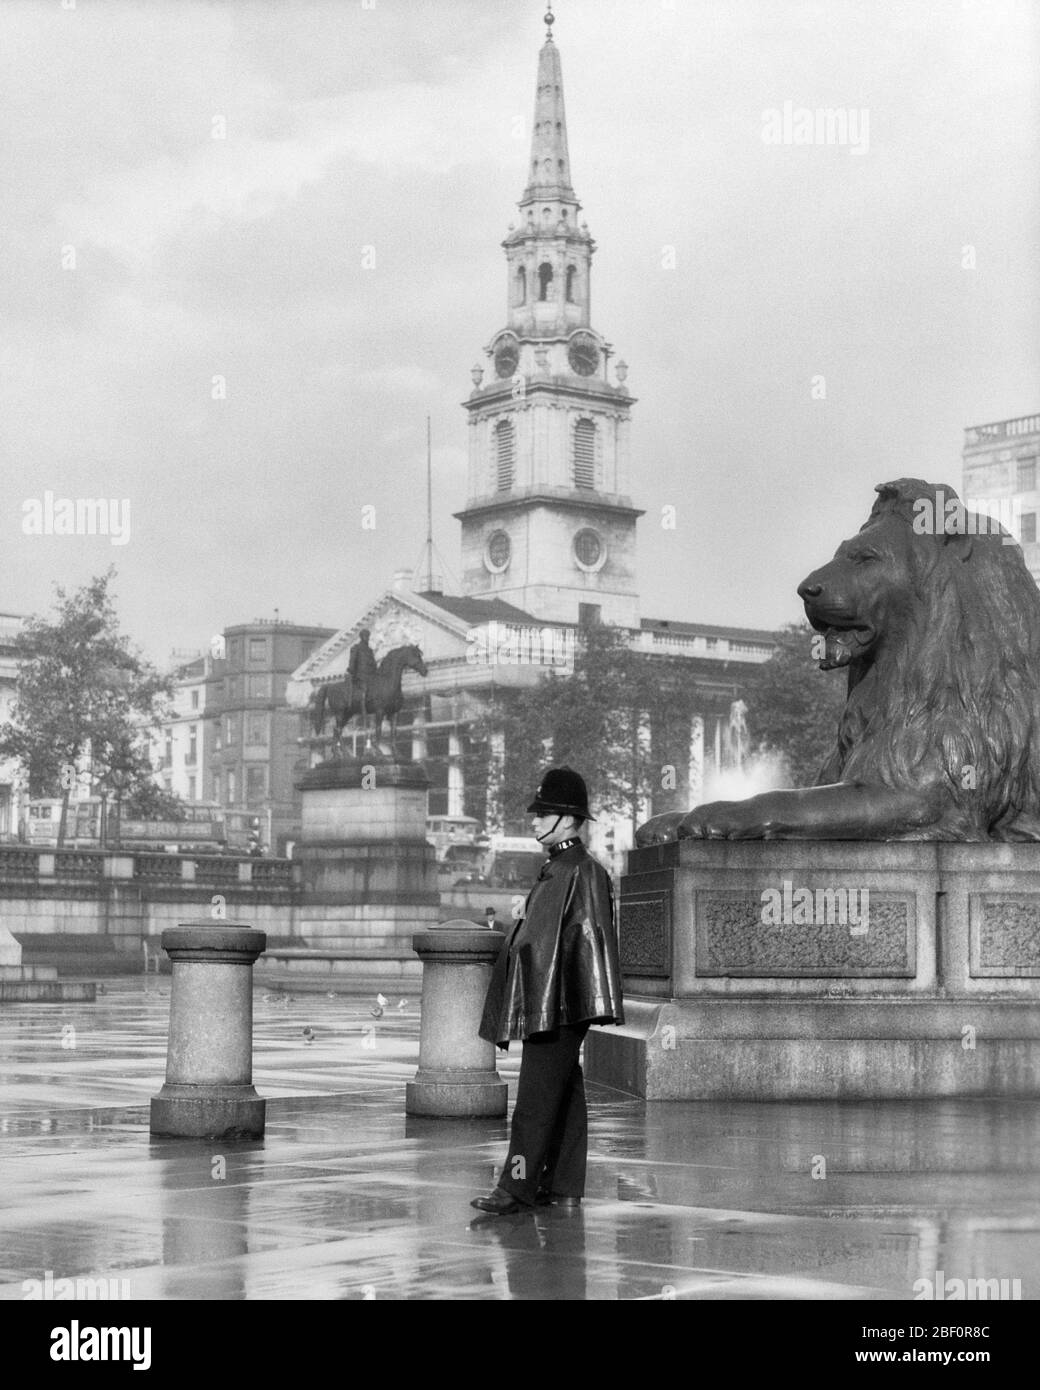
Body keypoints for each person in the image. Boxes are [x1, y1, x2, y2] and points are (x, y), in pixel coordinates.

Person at [471, 767, 625, 1216]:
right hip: (556, 1003)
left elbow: (590, 942)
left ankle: (514, 1187)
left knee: (534, 1104)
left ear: (568, 819)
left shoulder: (581, 871)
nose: (535, 822)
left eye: (544, 814)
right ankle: (563, 1186)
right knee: (564, 1096)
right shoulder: (560, 868)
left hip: (558, 1006)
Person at [347, 627, 378, 721]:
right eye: (365, 636)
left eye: (368, 636)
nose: (367, 638)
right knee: (365, 691)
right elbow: (352, 662)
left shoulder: (370, 650)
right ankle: (364, 710)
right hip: (361, 676)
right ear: (361, 637)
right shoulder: (356, 648)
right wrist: (352, 671)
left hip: (371, 676)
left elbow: (373, 664)